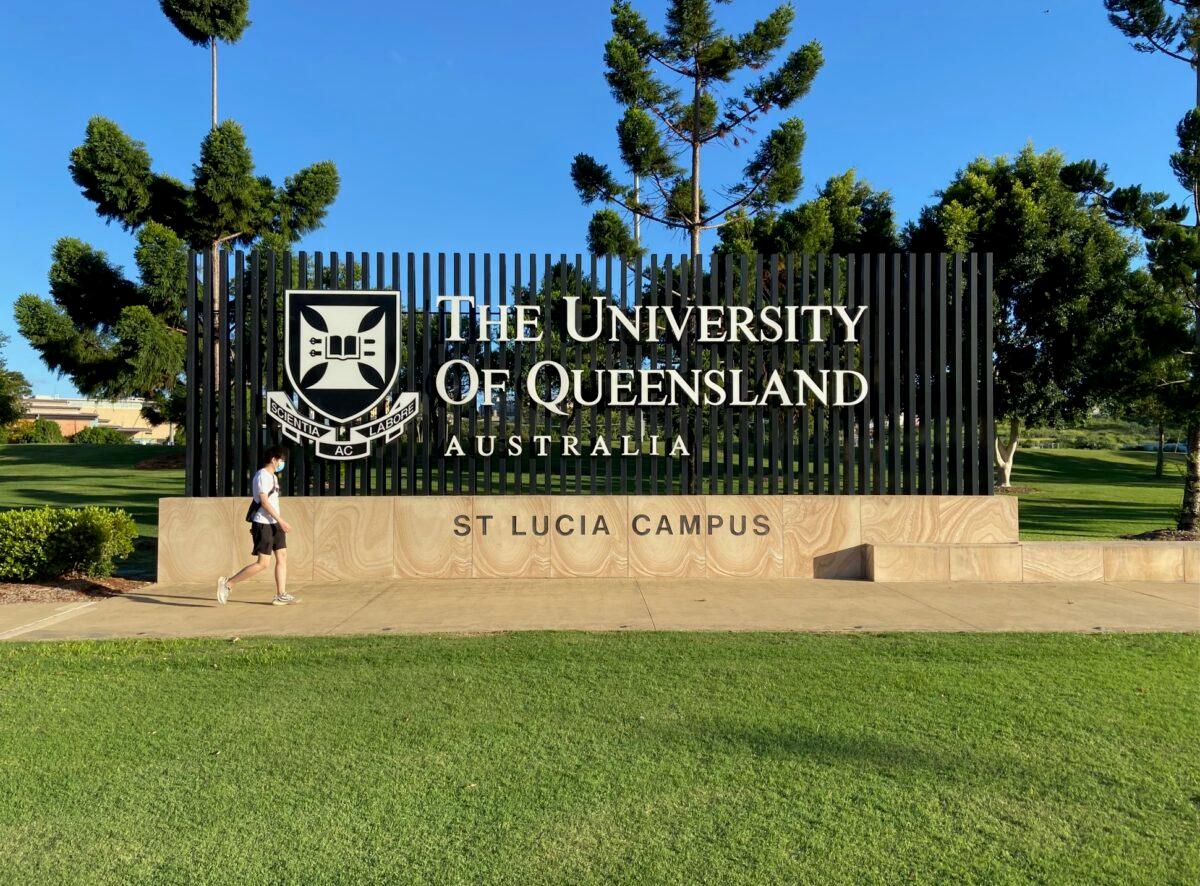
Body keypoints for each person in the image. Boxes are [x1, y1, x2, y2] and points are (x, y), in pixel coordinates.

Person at [217, 445, 299, 606]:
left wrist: (278, 521)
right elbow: (264, 502)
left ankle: (281, 594)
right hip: (263, 523)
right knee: (263, 563)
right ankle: (228, 584)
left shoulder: (273, 477)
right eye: (281, 460)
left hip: (274, 523)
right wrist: (281, 521)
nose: (282, 463)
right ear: (273, 459)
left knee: (282, 556)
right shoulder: (262, 476)